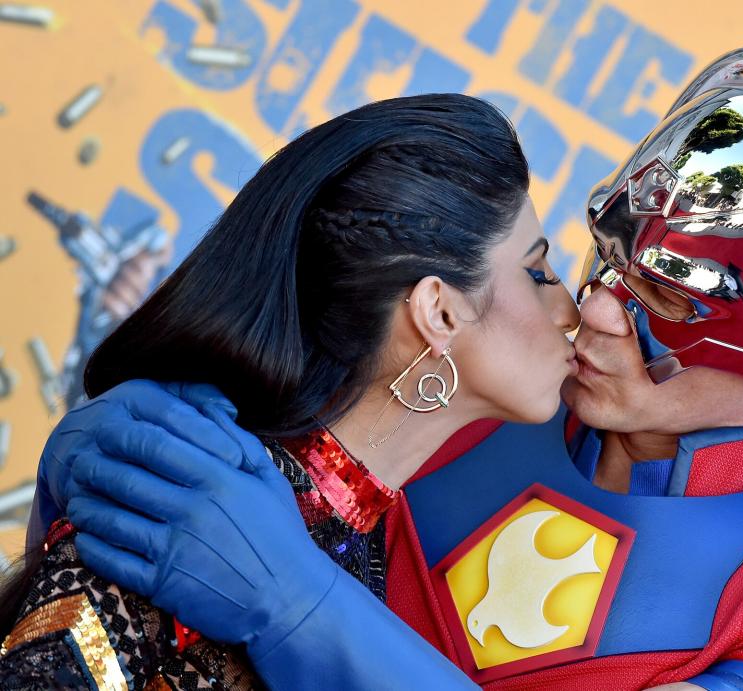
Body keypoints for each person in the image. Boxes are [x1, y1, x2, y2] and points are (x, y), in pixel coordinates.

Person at [23, 48, 743, 689]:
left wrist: (297, 606)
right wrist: (122, 457)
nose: (597, 315)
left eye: (658, 308)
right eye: (592, 266)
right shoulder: (497, 382)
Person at [0, 93, 581, 690]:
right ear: (439, 312)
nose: (569, 308)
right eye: (537, 274)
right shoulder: (186, 506)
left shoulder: (360, 540)